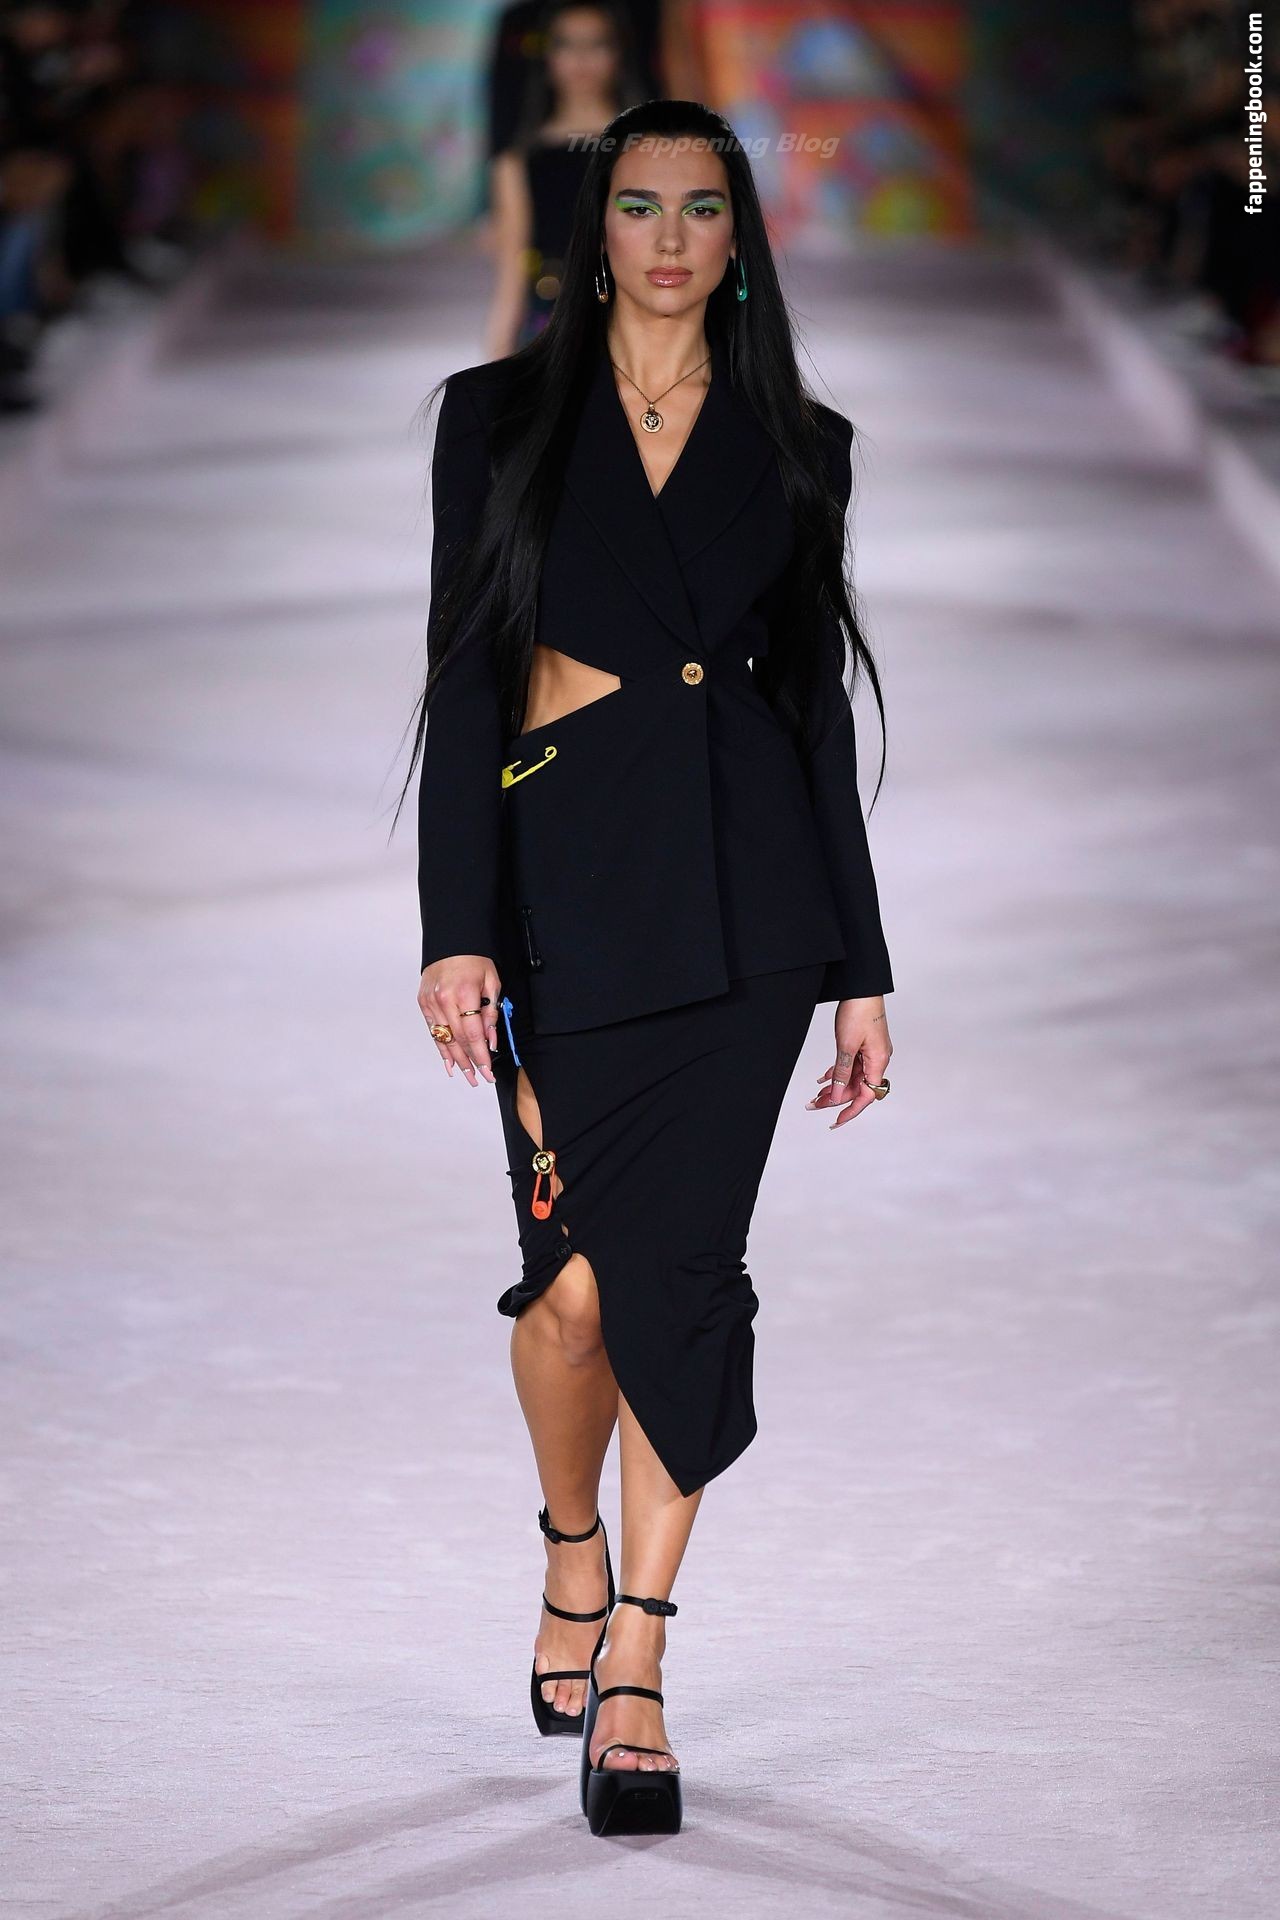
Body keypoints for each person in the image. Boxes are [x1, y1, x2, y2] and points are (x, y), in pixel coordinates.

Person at [396, 97, 895, 1837]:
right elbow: (465, 676)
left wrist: (860, 964)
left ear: (741, 237)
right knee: (573, 1296)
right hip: (570, 897)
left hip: (749, 913)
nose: (670, 237)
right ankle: (570, 1545)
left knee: (677, 1284)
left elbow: (812, 712)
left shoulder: (803, 445)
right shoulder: (497, 421)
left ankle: (638, 1663)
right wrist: (455, 926)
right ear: (592, 231)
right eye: (638, 206)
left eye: (701, 207)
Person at [483, 2, 644, 360]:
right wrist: (497, 359)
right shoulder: (519, 159)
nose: (581, 59)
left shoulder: (650, 148)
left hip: (642, 325)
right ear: (547, 55)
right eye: (566, 44)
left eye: (596, 43)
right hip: (550, 324)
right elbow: (511, 271)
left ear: (619, 51)